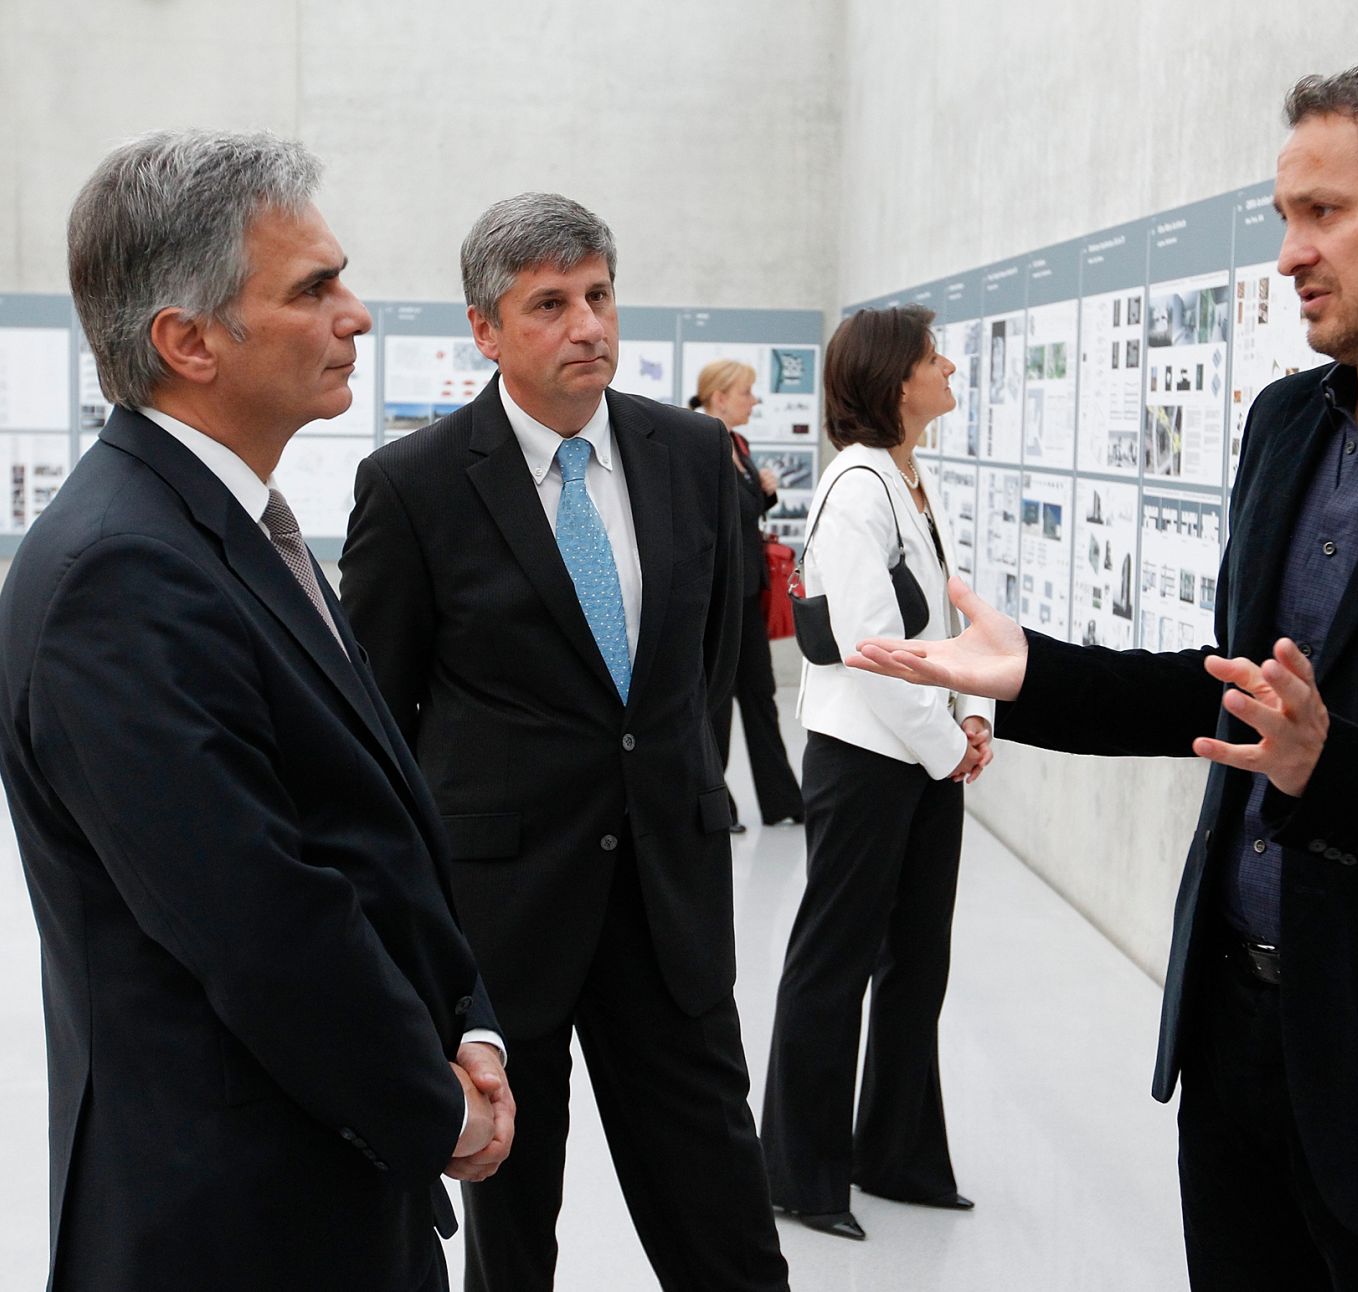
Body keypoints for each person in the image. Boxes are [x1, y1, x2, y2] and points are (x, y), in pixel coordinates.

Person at [849, 56, 1358, 1291]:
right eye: (1283, 215)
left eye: (1324, 212)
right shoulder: (1284, 425)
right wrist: (1035, 674)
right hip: (1234, 1048)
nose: (1289, 252)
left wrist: (1331, 767)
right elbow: (1230, 694)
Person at [0, 129, 512, 1292]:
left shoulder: (227, 527)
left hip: (324, 1164)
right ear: (188, 341)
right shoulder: (119, 575)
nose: (358, 315)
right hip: (238, 1215)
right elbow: (262, 922)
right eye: (313, 288)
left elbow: (367, 821)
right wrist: (438, 1107)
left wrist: (467, 1021)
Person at [339, 192, 788, 1292]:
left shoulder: (689, 454)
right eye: (549, 302)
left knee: (725, 1226)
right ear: (484, 330)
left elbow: (705, 669)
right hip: (504, 922)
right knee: (511, 1239)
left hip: (668, 910)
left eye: (597, 294)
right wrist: (413, 948)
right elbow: (372, 727)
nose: (588, 323)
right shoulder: (414, 487)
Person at [761, 306, 995, 1242]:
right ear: (898, 380)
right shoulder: (855, 490)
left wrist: (975, 712)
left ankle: (894, 1154)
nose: (950, 370)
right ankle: (801, 1173)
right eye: (936, 358)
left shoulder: (908, 477)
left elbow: (947, 618)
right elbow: (867, 649)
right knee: (836, 961)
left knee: (916, 964)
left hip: (925, 755)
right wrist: (949, 748)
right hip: (868, 760)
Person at [688, 359, 806, 831]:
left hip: (747, 591)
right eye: (747, 392)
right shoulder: (697, 442)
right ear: (719, 396)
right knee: (714, 704)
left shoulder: (738, 443)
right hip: (715, 597)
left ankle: (784, 801)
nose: (754, 400)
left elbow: (741, 512)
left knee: (761, 693)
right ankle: (716, 804)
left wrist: (766, 493)